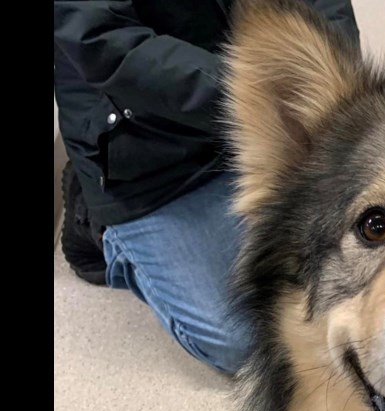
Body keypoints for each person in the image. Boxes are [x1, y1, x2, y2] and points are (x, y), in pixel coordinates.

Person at [53, 0, 360, 375]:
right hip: (149, 155)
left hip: (257, 106)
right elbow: (103, 39)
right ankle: (95, 224)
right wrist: (262, 97)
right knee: (255, 339)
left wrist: (332, 87)